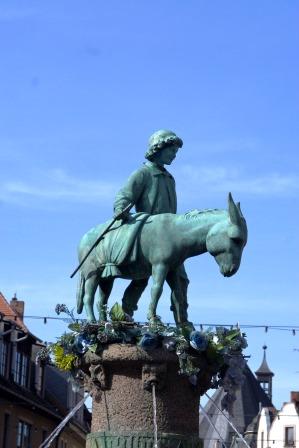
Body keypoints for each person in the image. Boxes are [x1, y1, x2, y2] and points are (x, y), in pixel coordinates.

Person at [113, 129, 190, 324]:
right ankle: (125, 315)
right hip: (149, 234)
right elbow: (125, 195)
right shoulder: (143, 173)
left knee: (181, 279)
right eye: (171, 150)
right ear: (158, 149)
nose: (174, 155)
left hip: (170, 238)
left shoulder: (170, 179)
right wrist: (121, 208)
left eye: (176, 152)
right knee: (141, 279)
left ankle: (183, 322)